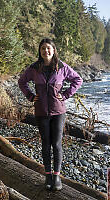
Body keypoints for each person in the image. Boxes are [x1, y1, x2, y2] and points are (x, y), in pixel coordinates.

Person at [18, 38, 83, 191]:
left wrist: (66, 95)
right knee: (45, 143)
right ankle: (47, 175)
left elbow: (78, 80)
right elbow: (22, 82)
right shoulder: (34, 68)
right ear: (40, 52)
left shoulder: (62, 67)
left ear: (53, 50)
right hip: (41, 111)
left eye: (48, 48)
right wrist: (30, 96)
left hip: (58, 111)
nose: (45, 51)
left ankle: (57, 176)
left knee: (57, 144)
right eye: (43, 48)